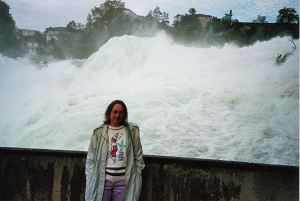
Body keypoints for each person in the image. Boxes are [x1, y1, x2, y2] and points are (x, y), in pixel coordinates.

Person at [85, 100, 145, 201]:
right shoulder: (99, 132)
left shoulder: (132, 131)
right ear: (109, 113)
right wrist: (91, 178)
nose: (117, 115)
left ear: (124, 115)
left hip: (124, 183)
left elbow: (138, 157)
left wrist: (137, 175)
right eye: (115, 112)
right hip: (103, 183)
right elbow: (90, 160)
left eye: (121, 113)